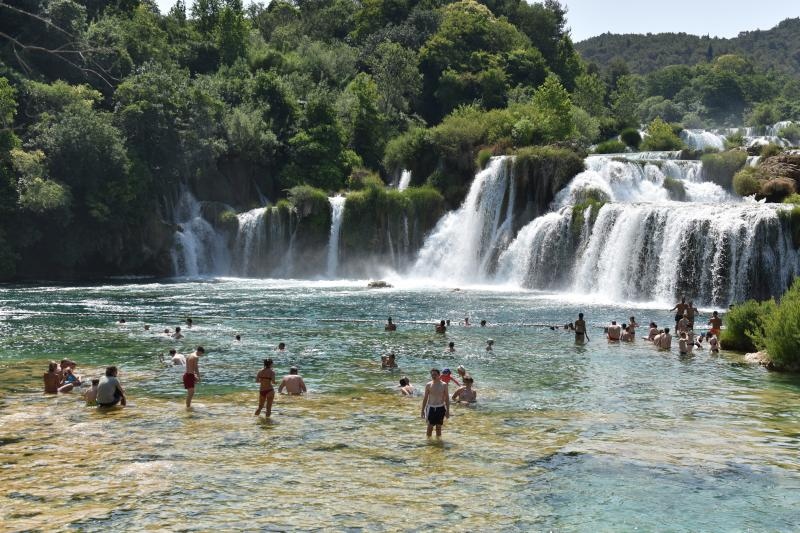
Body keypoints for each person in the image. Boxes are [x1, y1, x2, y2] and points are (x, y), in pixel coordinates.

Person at [421, 368, 450, 438]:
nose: (433, 376)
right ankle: (428, 442)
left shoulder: (444, 385)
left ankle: (438, 442)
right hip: (431, 408)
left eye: (435, 375)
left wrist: (448, 411)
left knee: (439, 427)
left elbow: (447, 398)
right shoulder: (428, 385)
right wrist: (422, 411)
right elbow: (425, 398)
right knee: (430, 427)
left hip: (441, 407)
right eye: (432, 375)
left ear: (439, 375)